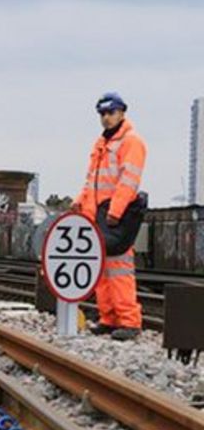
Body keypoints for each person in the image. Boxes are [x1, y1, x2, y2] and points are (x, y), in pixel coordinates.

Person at [72, 92, 146, 341]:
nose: (105, 118)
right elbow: (91, 180)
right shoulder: (102, 144)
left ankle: (129, 321)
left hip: (116, 217)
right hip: (99, 215)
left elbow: (129, 179)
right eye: (102, 114)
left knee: (120, 270)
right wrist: (80, 203)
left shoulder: (130, 142)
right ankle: (109, 318)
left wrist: (115, 211)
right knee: (102, 269)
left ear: (122, 112)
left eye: (110, 113)